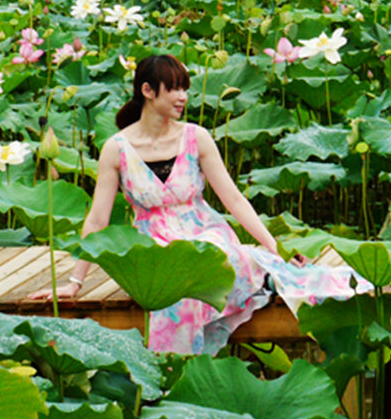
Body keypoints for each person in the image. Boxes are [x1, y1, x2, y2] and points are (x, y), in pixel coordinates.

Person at [30, 53, 367, 354]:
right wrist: (74, 283)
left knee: (213, 257)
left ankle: (260, 275)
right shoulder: (116, 149)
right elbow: (97, 220)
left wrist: (270, 245)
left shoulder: (196, 137)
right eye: (175, 88)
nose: (183, 97)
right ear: (148, 91)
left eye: (185, 88)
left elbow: (233, 198)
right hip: (154, 245)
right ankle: (173, 368)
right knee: (177, 284)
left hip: (205, 232)